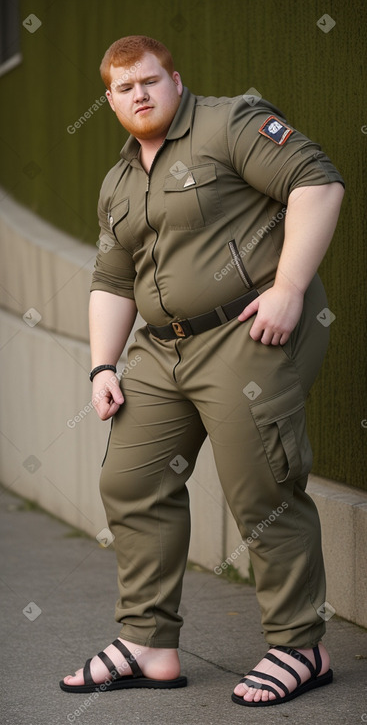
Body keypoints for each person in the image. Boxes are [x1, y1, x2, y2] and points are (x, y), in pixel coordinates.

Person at [60, 35, 345, 706]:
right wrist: (103, 363)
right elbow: (112, 278)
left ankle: (300, 647)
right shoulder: (119, 181)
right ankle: (148, 643)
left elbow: (316, 182)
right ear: (110, 100)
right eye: (124, 87)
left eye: (149, 81)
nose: (139, 94)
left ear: (173, 79)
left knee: (261, 490)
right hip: (159, 350)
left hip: (247, 330)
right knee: (130, 481)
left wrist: (289, 287)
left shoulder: (231, 122)